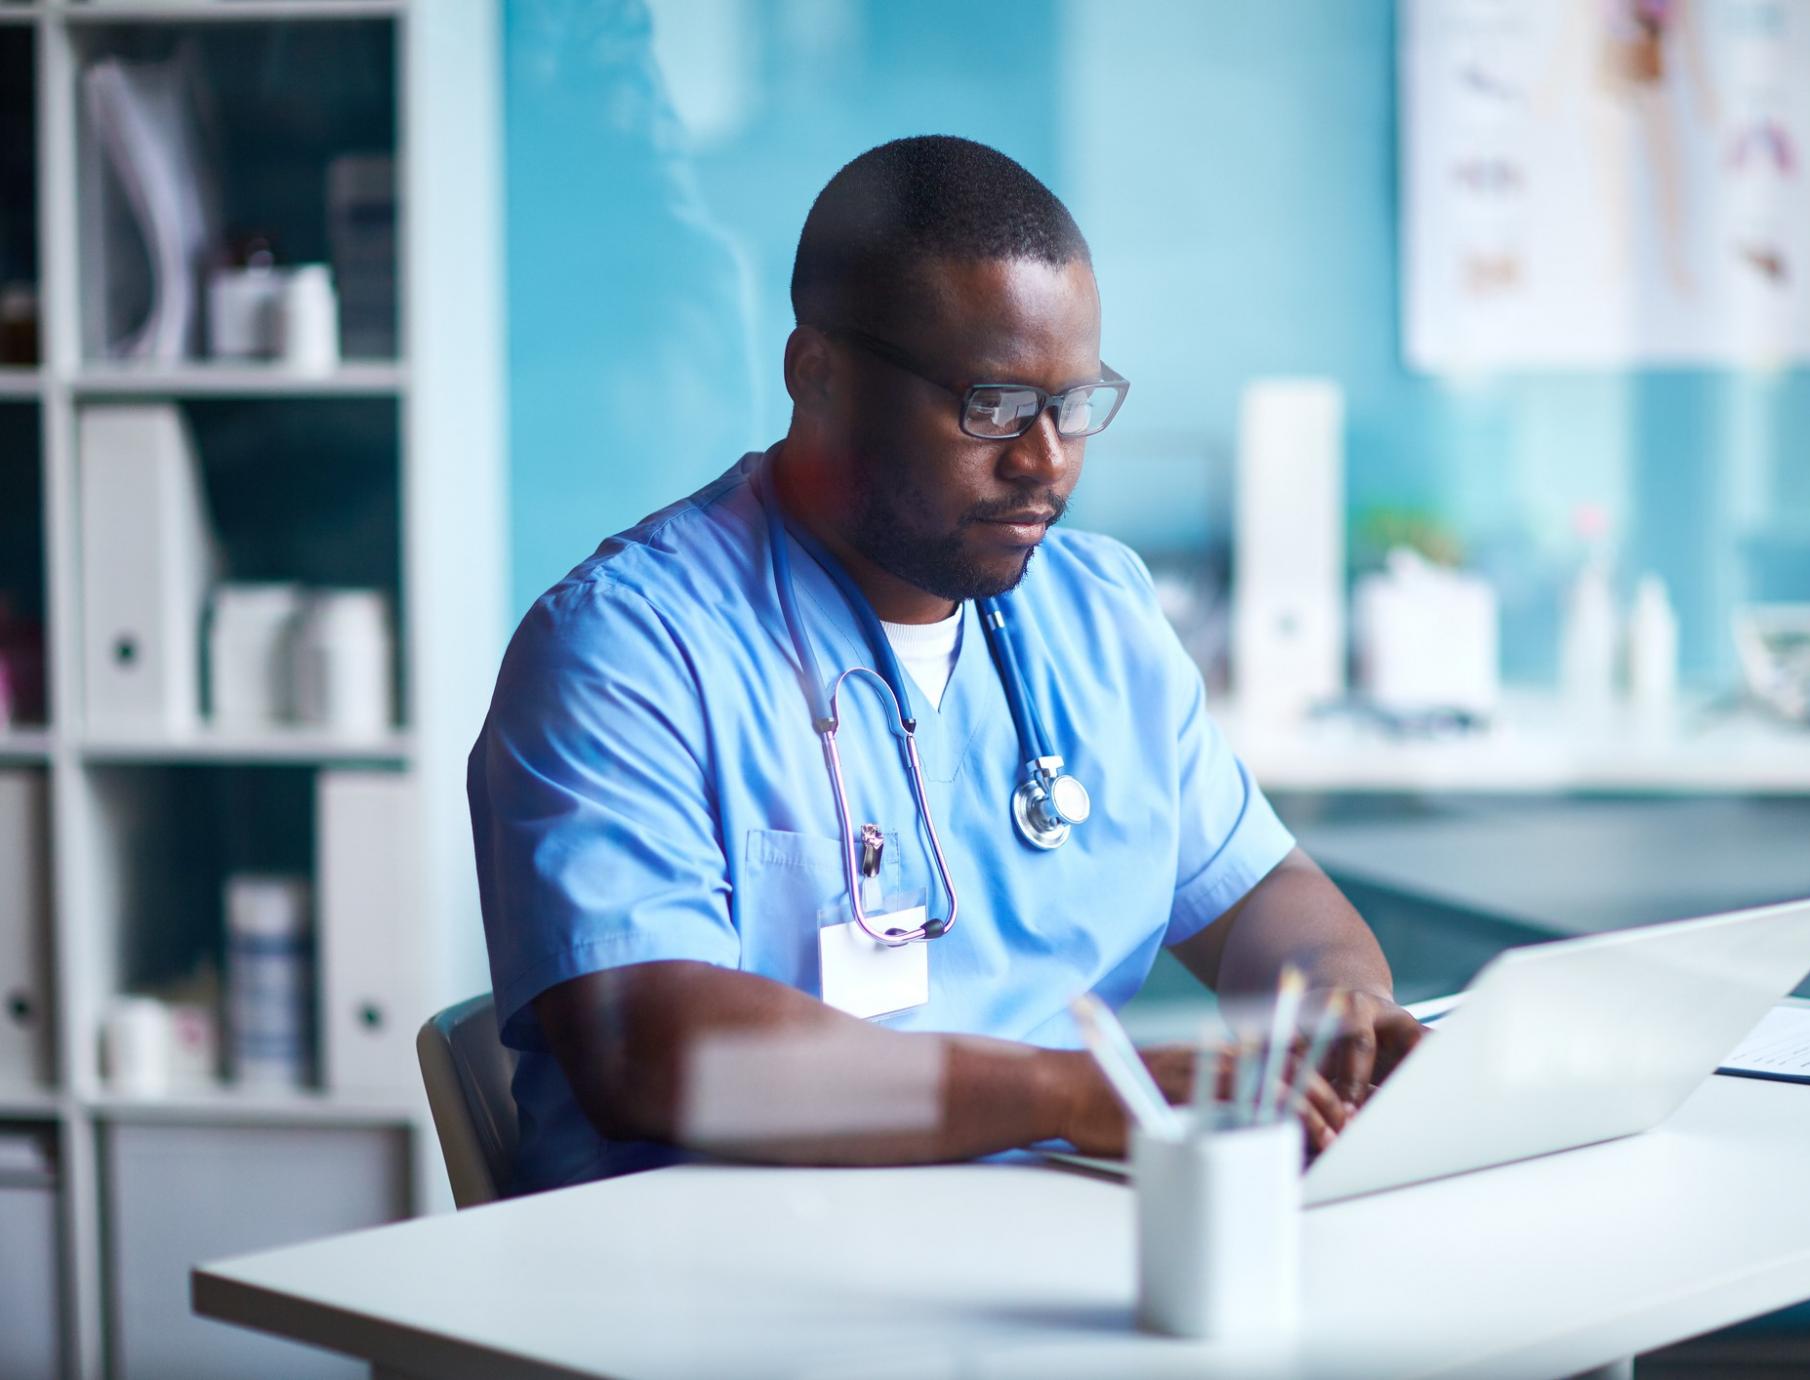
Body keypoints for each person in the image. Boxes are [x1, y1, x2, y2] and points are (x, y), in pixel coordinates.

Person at [469, 135, 1422, 1194]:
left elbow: (1261, 892)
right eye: (993, 408)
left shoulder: (1098, 614)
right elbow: (651, 1053)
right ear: (816, 375)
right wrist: (1084, 1098)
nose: (1044, 461)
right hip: (717, 1299)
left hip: (1040, 1263)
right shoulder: (624, 651)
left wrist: (1338, 1002)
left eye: (1073, 406)